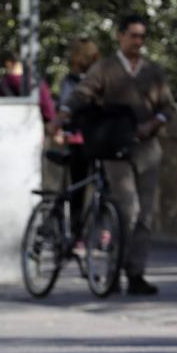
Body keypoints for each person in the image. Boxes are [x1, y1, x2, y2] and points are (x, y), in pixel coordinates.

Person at [59, 13, 177, 295]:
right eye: (133, 35)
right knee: (128, 209)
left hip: (147, 148)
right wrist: (63, 114)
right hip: (114, 147)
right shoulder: (106, 68)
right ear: (120, 36)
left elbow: (168, 107)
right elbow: (83, 93)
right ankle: (113, 269)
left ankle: (135, 272)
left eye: (142, 37)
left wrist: (155, 122)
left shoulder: (152, 71)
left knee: (145, 215)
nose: (138, 42)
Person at [57, 38, 102, 244]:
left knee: (80, 188)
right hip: (92, 138)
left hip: (83, 138)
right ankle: (100, 231)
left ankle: (79, 235)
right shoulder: (93, 80)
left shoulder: (72, 81)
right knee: (96, 185)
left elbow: (65, 108)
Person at [0, 51, 57, 128]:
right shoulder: (37, 84)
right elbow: (49, 113)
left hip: (6, 131)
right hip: (31, 131)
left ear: (8, 63)